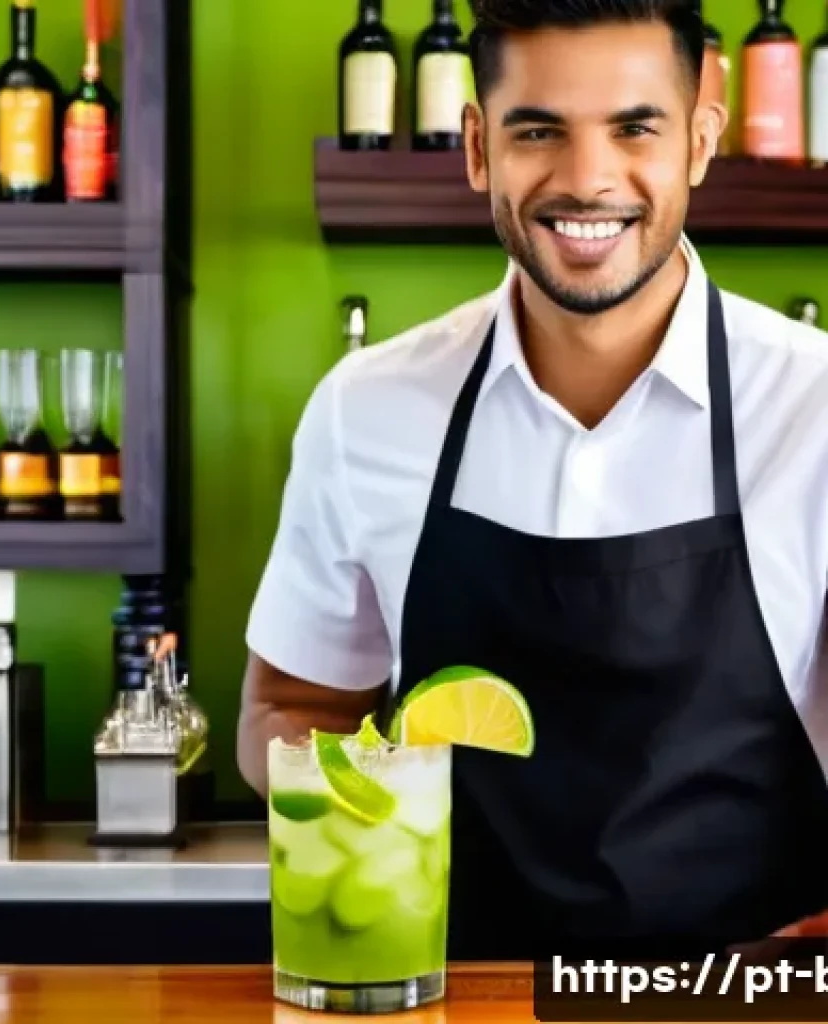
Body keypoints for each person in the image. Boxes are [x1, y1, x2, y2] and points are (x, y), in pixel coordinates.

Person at [237, 0, 828, 960]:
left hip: (735, 1006)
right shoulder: (367, 410)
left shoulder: (816, 408)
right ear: (478, 148)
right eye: (538, 130)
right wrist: (354, 803)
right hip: (454, 995)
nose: (588, 180)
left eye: (635, 127)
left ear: (700, 142)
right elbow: (293, 707)